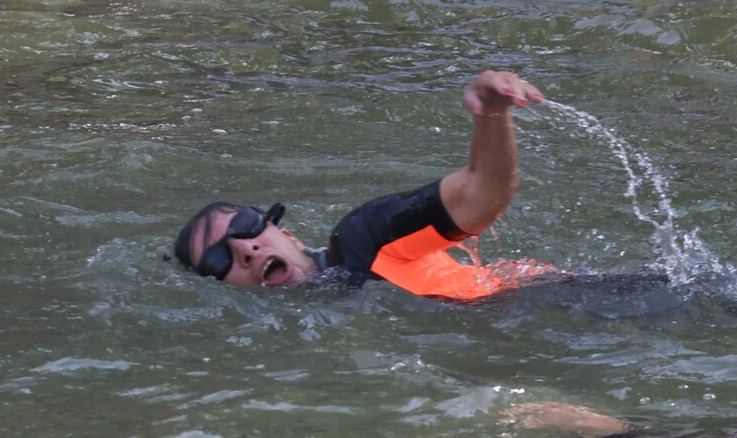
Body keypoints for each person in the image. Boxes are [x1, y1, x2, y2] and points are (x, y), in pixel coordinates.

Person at [173, 70, 553, 300]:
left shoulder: (363, 239)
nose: (246, 248)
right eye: (218, 259)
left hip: (567, 305)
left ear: (289, 236)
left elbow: (482, 194)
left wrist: (491, 112)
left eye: (247, 225)